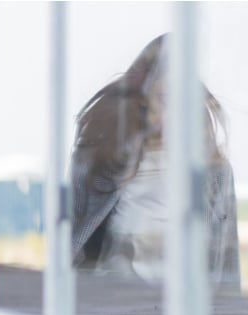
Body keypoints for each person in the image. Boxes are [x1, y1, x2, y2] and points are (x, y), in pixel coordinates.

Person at [71, 33, 240, 289]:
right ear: (142, 96)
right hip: (109, 312)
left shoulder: (215, 172)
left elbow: (228, 267)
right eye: (166, 97)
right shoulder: (97, 160)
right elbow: (68, 248)